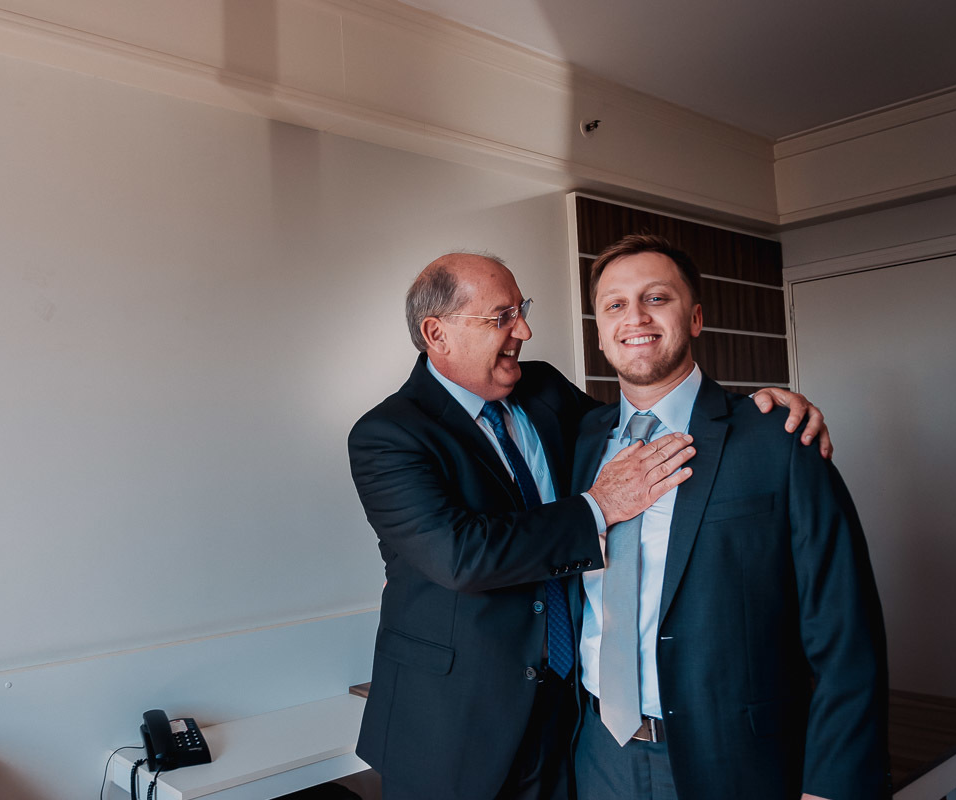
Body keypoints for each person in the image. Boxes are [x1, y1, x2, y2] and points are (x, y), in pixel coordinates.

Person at [347, 251, 830, 800]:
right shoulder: (386, 434)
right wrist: (599, 506)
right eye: (502, 317)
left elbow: (645, 419)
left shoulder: (543, 389)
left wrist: (756, 410)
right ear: (438, 334)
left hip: (570, 718)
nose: (524, 331)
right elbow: (462, 556)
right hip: (452, 727)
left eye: (522, 310)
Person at [572, 235, 888, 800]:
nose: (635, 317)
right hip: (597, 755)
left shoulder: (778, 438)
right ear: (599, 332)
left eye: (656, 298)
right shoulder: (576, 442)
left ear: (695, 317)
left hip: (737, 760)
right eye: (615, 305)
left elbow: (845, 630)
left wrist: (830, 785)